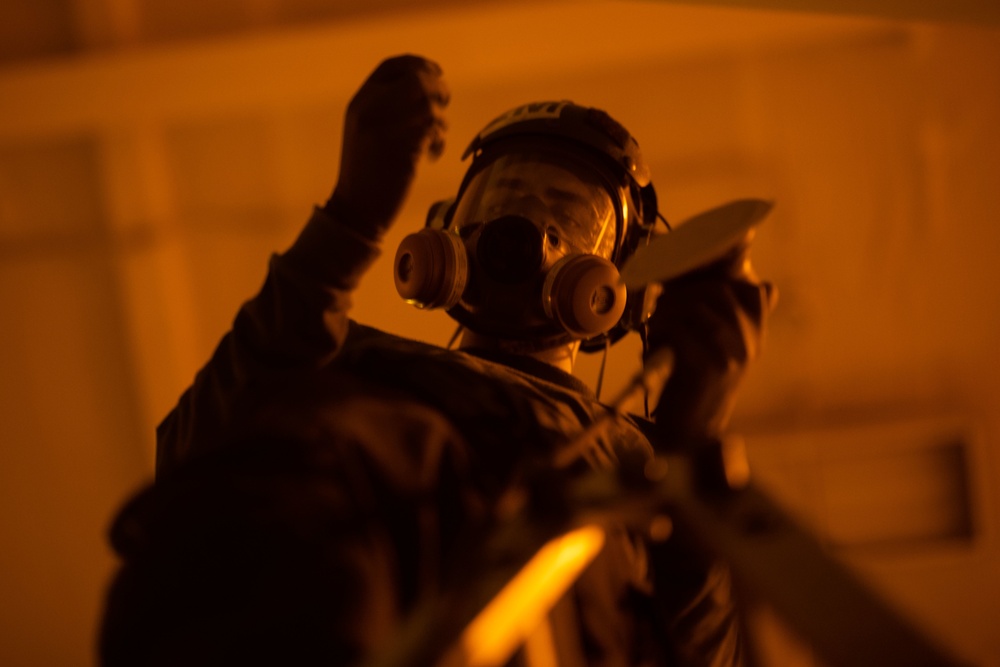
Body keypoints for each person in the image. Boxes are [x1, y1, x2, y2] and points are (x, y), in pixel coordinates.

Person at [99, 55, 774, 667]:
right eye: (502, 199)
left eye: (567, 214)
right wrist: (348, 222)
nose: (525, 227)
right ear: (444, 230)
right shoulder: (335, 358)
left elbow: (691, 655)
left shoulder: (634, 460)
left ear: (614, 289)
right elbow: (195, 448)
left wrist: (691, 444)